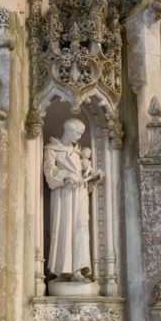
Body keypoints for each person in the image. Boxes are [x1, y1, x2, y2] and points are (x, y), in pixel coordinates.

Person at [44, 119, 94, 281]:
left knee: (81, 228)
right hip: (64, 195)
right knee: (64, 229)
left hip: (80, 194)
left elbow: (80, 173)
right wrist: (67, 175)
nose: (79, 137)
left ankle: (78, 270)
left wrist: (90, 178)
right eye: (77, 133)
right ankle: (62, 271)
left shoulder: (78, 152)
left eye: (81, 134)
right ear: (68, 131)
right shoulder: (52, 149)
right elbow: (49, 170)